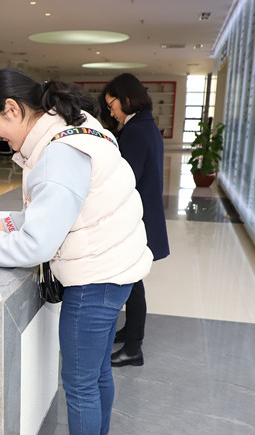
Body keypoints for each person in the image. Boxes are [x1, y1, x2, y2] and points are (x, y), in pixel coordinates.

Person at [0, 68, 153, 435]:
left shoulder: (59, 153)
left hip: (95, 276)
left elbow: (37, 244)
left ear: (12, 109)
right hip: (115, 266)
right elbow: (60, 205)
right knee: (96, 373)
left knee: (80, 381)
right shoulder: (74, 126)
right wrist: (4, 223)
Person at [102, 74, 170, 368]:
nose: (111, 112)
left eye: (112, 105)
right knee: (133, 281)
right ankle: (130, 332)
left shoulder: (135, 132)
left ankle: (133, 347)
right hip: (145, 215)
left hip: (135, 220)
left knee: (132, 282)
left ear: (126, 99)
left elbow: (124, 181)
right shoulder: (146, 126)